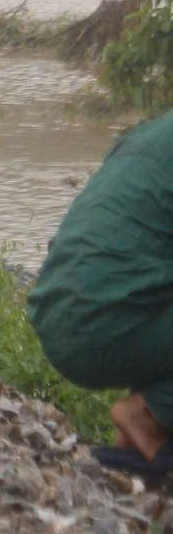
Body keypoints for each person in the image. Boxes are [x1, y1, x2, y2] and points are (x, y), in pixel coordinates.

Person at [30, 112, 173, 481]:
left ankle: (136, 438)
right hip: (107, 327)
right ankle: (148, 416)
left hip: (57, 312)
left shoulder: (153, 134)